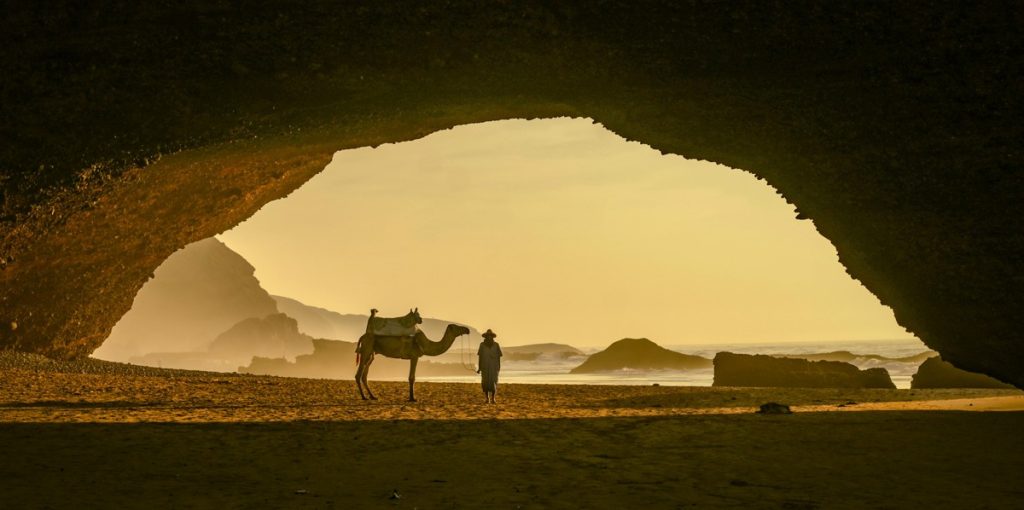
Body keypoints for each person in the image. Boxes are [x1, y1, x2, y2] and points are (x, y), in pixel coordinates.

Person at [477, 329, 502, 403]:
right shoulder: (482, 345)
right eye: (488, 336)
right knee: (485, 383)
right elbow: (480, 357)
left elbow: (498, 357)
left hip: (494, 367)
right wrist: (479, 368)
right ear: (485, 337)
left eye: (490, 336)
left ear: (492, 337)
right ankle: (487, 398)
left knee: (494, 382)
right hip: (484, 366)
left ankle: (493, 398)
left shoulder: (496, 345)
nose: (489, 337)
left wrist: (499, 367)